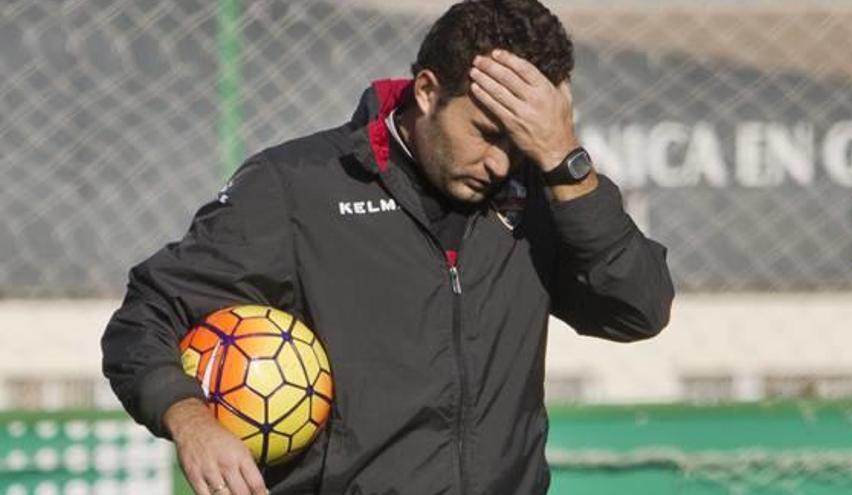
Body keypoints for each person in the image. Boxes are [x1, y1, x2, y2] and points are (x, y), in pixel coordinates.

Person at [101, 0, 674, 493]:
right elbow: (144, 317)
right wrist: (190, 419)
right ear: (426, 91)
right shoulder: (298, 188)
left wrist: (564, 162)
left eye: (521, 139)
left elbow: (637, 311)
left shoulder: (544, 190)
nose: (501, 161)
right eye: (486, 133)